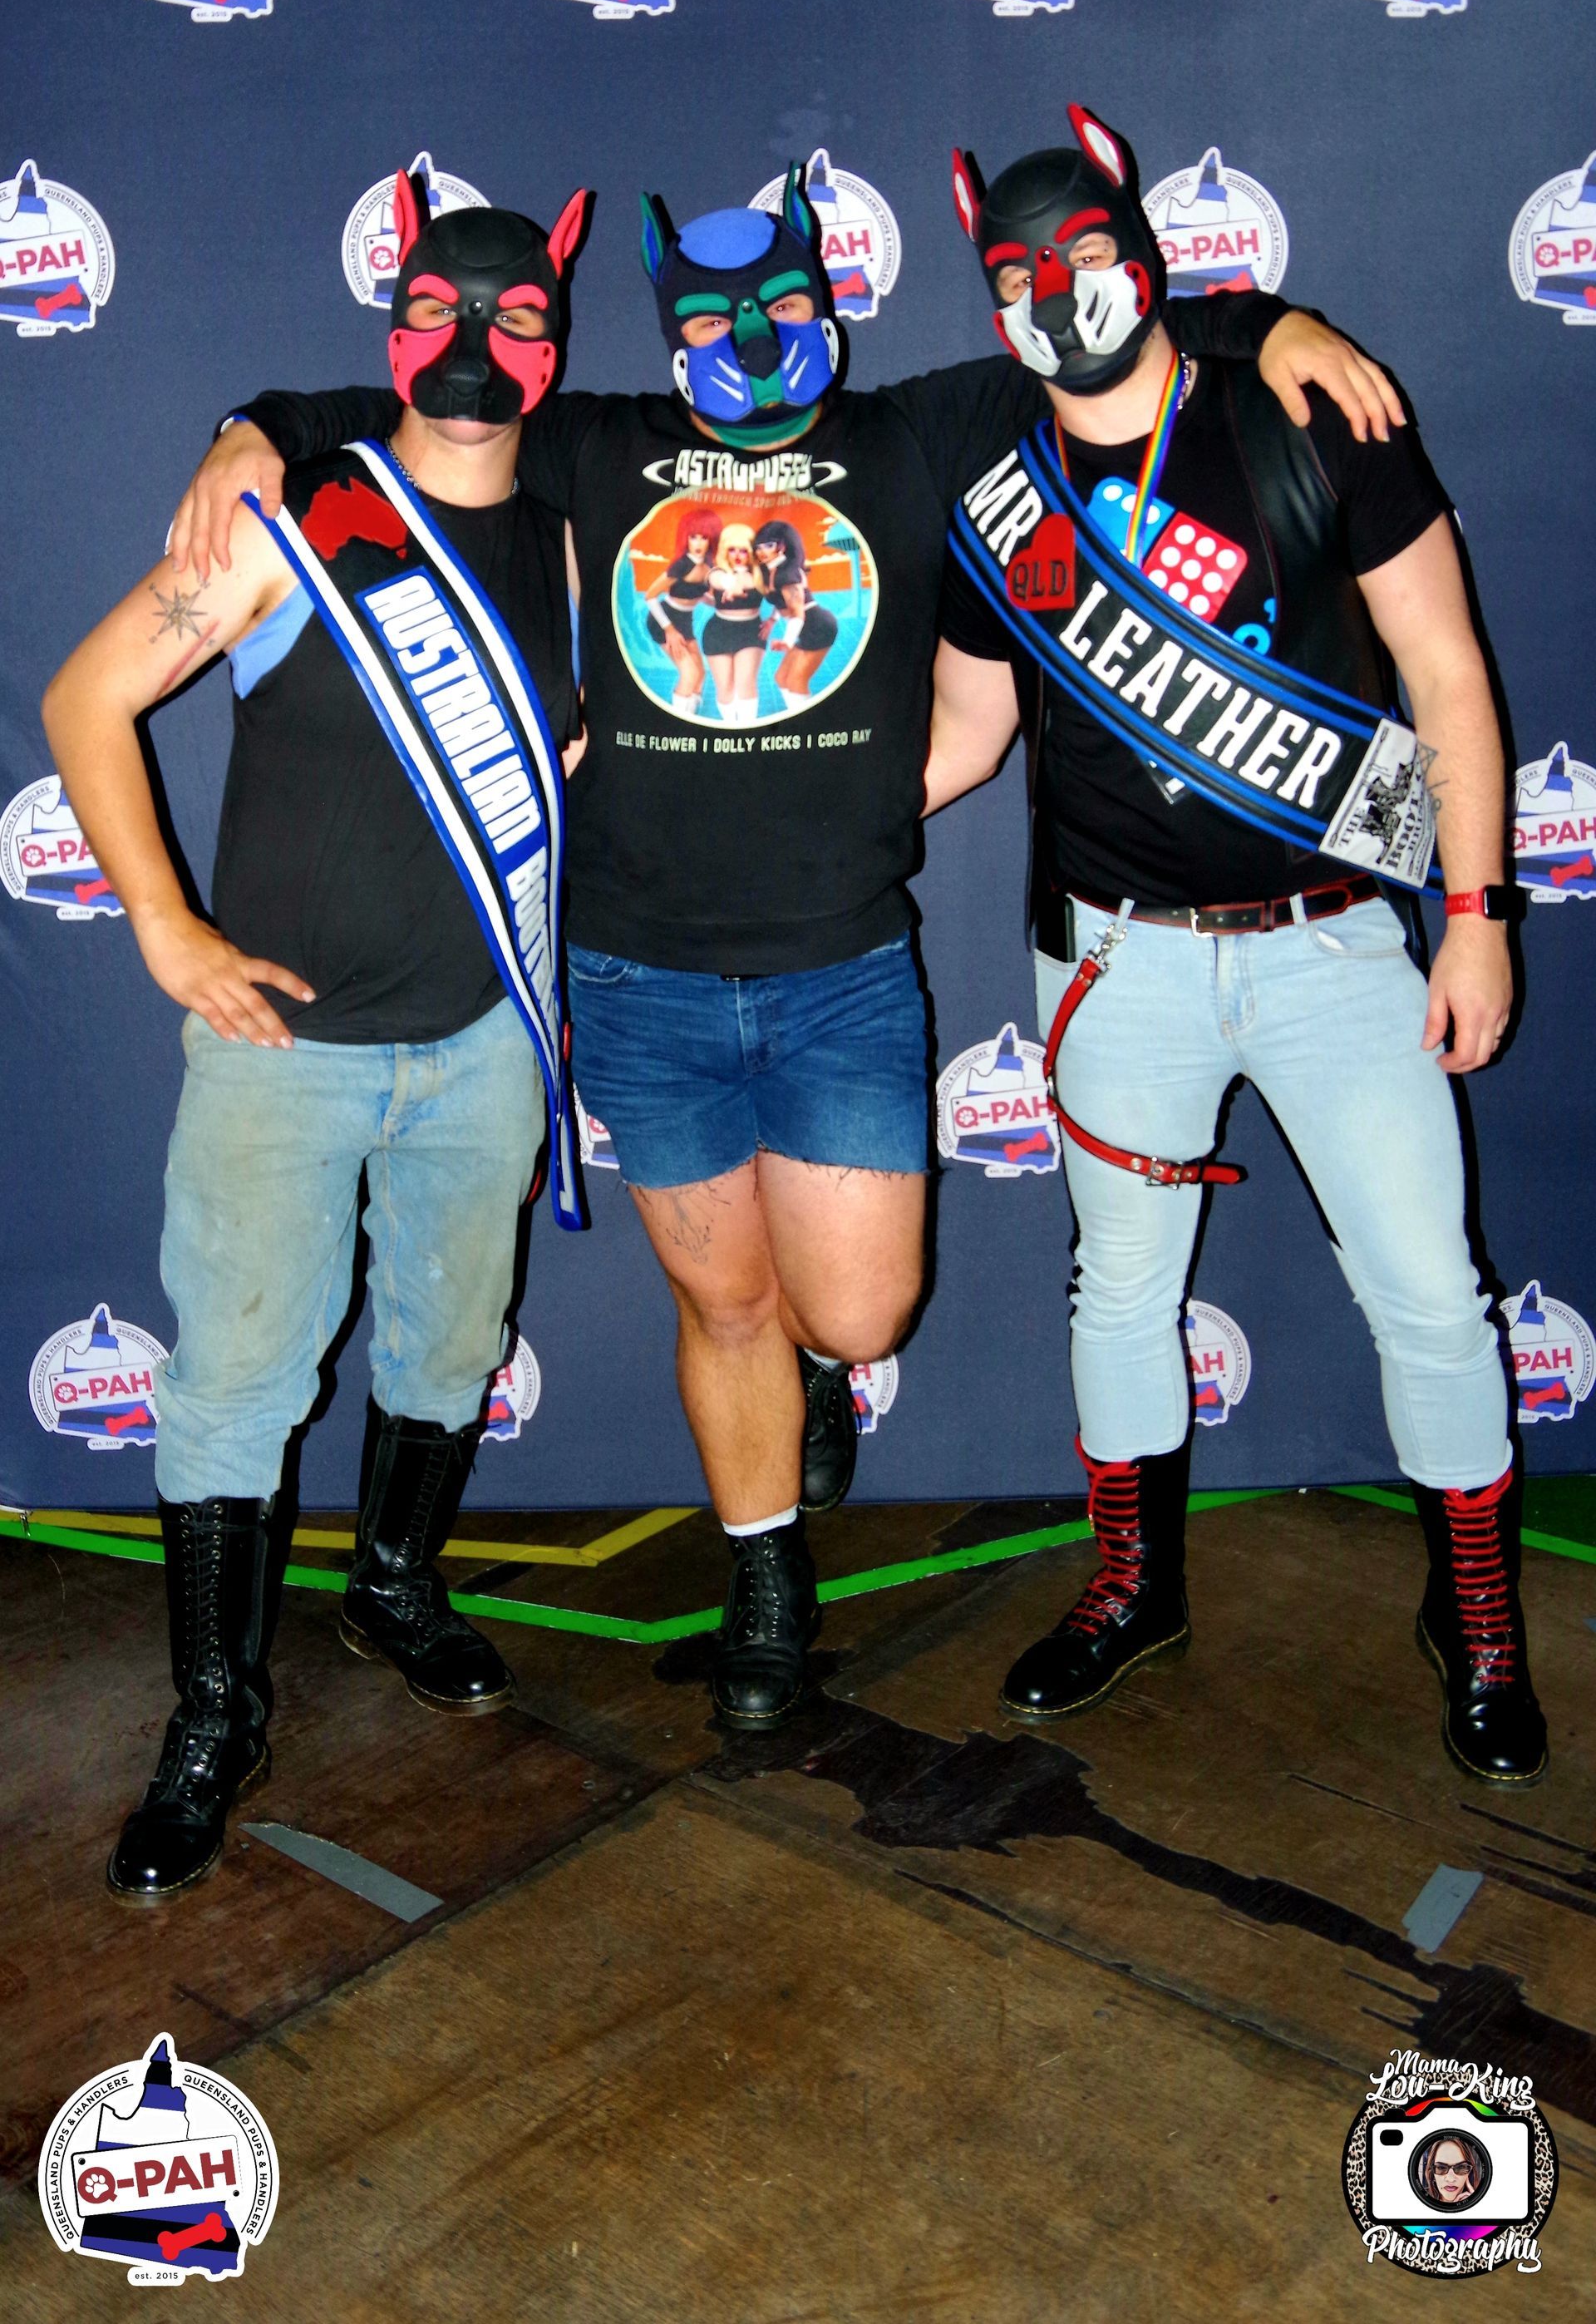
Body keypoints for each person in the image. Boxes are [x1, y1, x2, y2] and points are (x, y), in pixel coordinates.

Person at [169, 154, 1401, 1736]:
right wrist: (257, 422)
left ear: (835, 301)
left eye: (782, 307)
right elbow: (429, 390)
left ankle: (819, 1383)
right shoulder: (597, 441)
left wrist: (1271, 322)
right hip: (641, 969)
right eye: (710, 320)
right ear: (659, 328)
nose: (749, 342)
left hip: (839, 968)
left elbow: (1101, 340)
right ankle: (767, 1583)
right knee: (726, 1308)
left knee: (860, 1314)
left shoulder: (912, 433)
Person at [927, 107, 1546, 1785]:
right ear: (991, 297)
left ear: (1144, 253)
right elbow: (964, 734)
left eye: (1087, 254)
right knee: (1121, 1292)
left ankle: (1477, 1611)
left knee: (1430, 1292)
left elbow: (1450, 673)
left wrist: (1477, 915)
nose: (1060, 294)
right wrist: (766, 809)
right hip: (1113, 961)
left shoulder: (1304, 410)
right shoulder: (995, 480)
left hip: (1333, 944)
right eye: (1018, 275)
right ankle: (1136, 1587)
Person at [43, 173, 589, 1898]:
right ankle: (216, 1712)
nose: (474, 342)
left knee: (451, 1343)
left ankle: (395, 1587)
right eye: (439, 309)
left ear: (557, 338)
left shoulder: (579, 539)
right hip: (284, 1053)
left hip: (483, 1043)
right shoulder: (297, 519)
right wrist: (162, 920)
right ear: (393, 323)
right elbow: (86, 697)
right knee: (232, 1389)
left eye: (514, 314)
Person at [754, 518, 838, 710]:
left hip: (817, 626)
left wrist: (788, 641)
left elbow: (797, 612)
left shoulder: (787, 573)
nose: (762, 551)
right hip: (806, 627)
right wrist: (772, 620)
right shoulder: (772, 570)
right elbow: (782, 601)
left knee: (796, 682)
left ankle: (807, 722)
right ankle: (794, 715)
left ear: (782, 546)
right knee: (781, 678)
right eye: (759, 547)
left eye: (769, 545)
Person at [641, 506, 718, 714]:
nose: (698, 543)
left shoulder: (710, 565)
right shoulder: (681, 565)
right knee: (690, 674)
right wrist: (670, 630)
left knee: (700, 673)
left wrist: (720, 603)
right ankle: (679, 719)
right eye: (693, 537)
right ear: (686, 538)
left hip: (685, 620)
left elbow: (696, 594)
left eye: (704, 537)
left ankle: (692, 716)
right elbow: (650, 596)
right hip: (664, 620)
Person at [702, 521, 765, 723]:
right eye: (732, 549)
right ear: (724, 551)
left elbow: (759, 584)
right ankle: (730, 728)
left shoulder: (760, 574)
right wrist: (731, 584)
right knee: (725, 689)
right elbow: (718, 580)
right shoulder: (716, 573)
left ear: (751, 552)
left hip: (751, 631)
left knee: (746, 685)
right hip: (718, 632)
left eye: (743, 550)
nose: (737, 555)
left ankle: (748, 731)